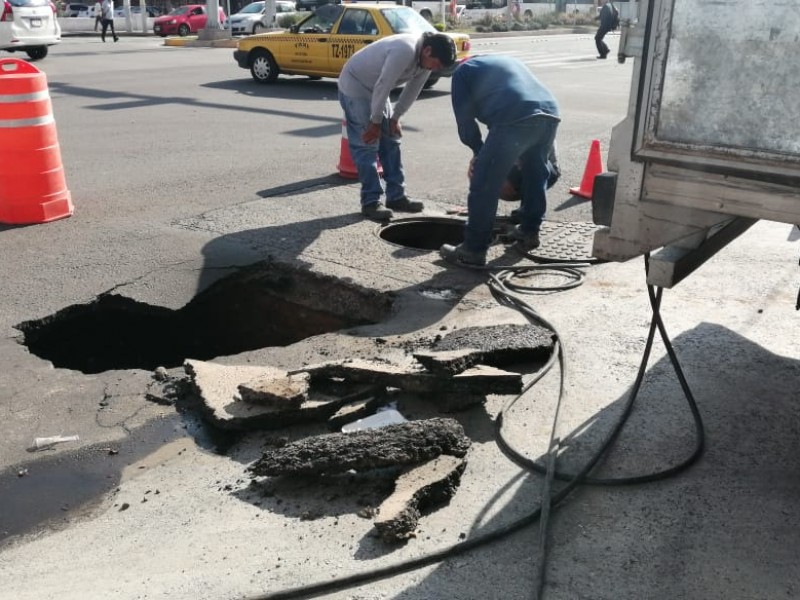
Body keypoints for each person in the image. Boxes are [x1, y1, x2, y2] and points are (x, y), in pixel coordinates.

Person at [440, 54, 560, 267]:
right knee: (535, 172)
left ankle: (473, 249)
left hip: (516, 116)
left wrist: (478, 152)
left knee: (484, 181)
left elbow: (465, 122)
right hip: (550, 112)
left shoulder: (462, 72)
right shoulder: (504, 62)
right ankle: (529, 231)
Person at [338, 31, 457, 222]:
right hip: (356, 85)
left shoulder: (426, 60)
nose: (435, 69)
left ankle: (396, 196)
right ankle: (371, 201)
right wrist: (375, 122)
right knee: (367, 144)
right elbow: (384, 85)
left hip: (377, 89)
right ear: (427, 50)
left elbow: (413, 89)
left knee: (391, 139)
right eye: (435, 64)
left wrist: (396, 117)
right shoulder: (405, 50)